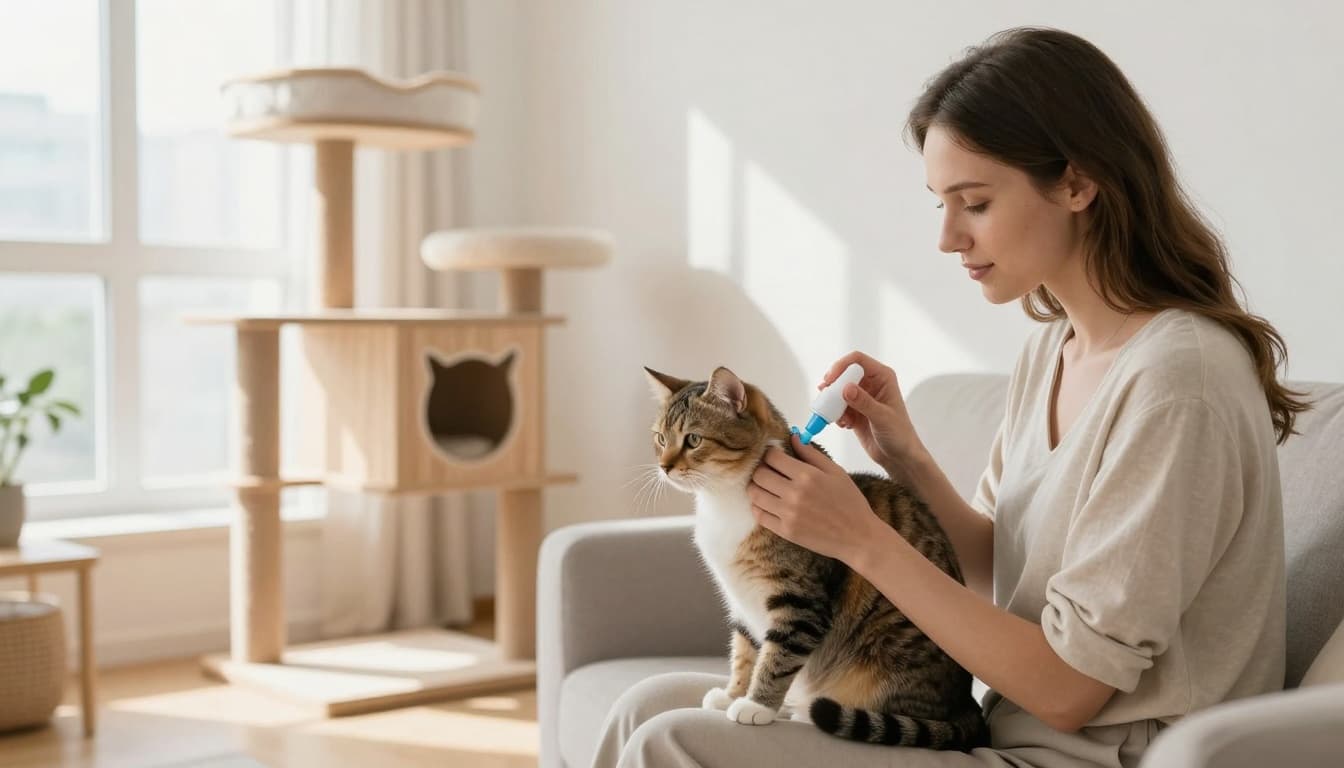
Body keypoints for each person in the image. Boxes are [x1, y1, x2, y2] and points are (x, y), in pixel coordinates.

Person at [592, 26, 1306, 768]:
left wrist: (861, 539)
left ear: (1077, 183)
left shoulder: (1178, 382)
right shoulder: (1053, 350)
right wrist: (906, 460)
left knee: (671, 739)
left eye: (975, 203)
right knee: (649, 705)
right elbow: (1003, 574)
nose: (947, 238)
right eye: (940, 203)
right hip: (1008, 732)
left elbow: (1070, 690)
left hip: (1090, 757)